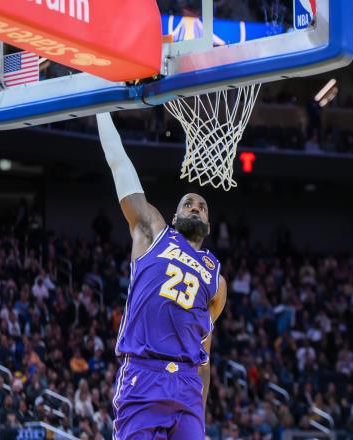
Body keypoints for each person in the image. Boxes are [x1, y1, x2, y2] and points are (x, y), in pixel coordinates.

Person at [97, 113, 227, 439]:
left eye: (202, 207)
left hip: (187, 385)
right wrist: (102, 110)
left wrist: (199, 410)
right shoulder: (154, 232)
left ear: (209, 225)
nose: (195, 208)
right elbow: (120, 165)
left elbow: (204, 353)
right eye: (188, 204)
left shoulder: (216, 278)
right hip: (145, 373)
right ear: (175, 215)